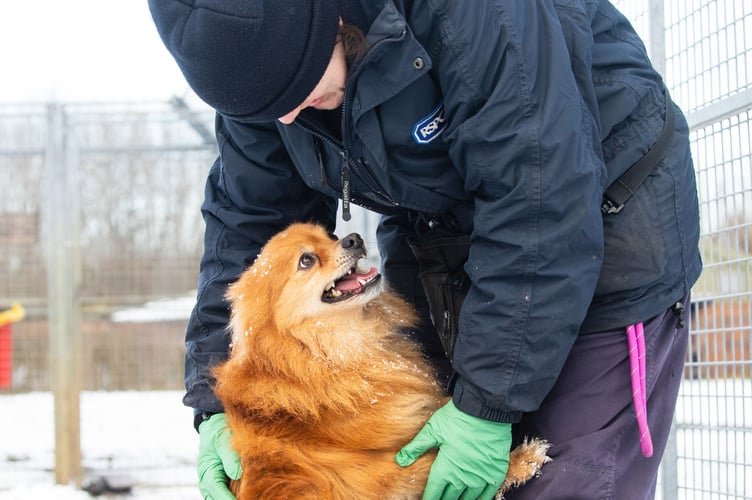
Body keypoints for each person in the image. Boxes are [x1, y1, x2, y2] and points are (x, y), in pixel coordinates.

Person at [148, 1, 702, 499]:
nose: (290, 119)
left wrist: (486, 403)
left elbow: (538, 191)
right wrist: (218, 398)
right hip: (444, 236)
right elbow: (248, 232)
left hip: (604, 226)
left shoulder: (476, 17)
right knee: (436, 474)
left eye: (298, 93)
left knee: (564, 479)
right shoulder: (262, 86)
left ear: (325, 21)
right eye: (271, 111)